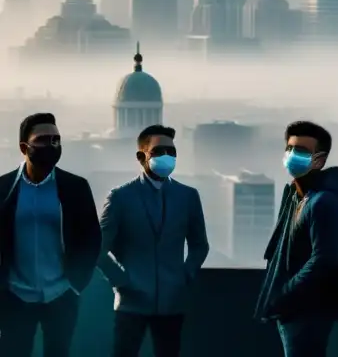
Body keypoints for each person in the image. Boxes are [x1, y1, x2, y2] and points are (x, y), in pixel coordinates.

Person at [97, 125, 209, 357]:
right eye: (159, 151)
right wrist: (121, 280)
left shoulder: (187, 196)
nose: (167, 157)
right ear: (141, 156)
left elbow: (200, 244)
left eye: (171, 151)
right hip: (131, 303)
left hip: (172, 302)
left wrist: (186, 274)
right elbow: (98, 247)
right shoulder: (120, 197)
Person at [0, 112, 101, 357]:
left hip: (60, 295)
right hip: (15, 295)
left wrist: (76, 284)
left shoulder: (75, 187)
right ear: (25, 147)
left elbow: (91, 238)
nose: (52, 145)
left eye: (56, 139)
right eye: (44, 140)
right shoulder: (3, 188)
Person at [255, 121, 338, 357]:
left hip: (307, 309)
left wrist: (286, 291)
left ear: (320, 159)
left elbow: (325, 259)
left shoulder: (324, 202)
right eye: (290, 148)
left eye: (303, 151)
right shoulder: (296, 196)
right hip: (293, 308)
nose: (293, 155)